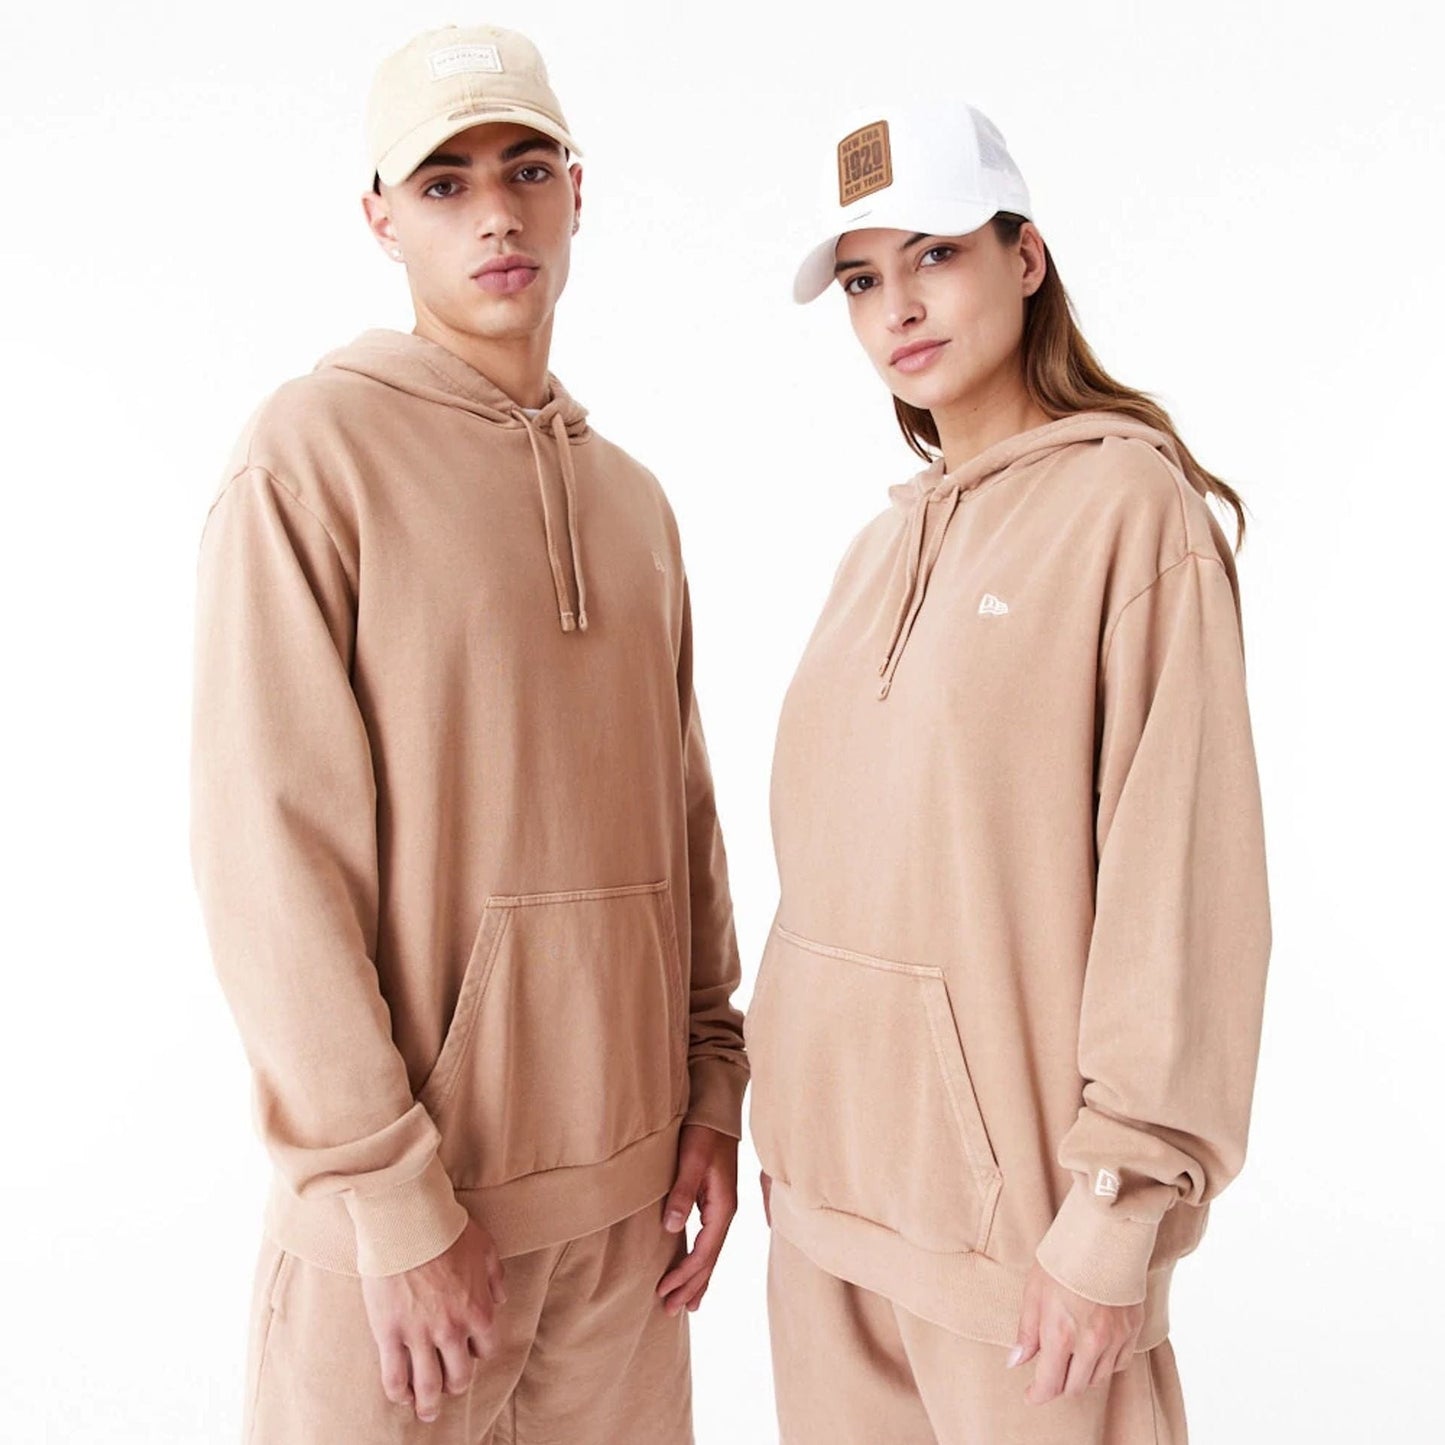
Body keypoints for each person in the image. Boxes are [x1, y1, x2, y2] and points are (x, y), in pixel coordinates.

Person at [189, 23, 747, 1444]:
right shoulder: (309, 456)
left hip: (630, 1225)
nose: (495, 213)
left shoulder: (634, 501)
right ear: (380, 217)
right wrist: (388, 1199)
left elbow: (680, 815)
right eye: (443, 183)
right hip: (412, 1237)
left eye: (525, 169)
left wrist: (710, 1085)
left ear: (576, 190)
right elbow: (269, 858)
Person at [745, 97, 1272, 1443]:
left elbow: (1180, 887)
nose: (899, 308)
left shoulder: (1129, 512)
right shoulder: (875, 552)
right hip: (824, 1226)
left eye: (934, 254)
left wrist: (1115, 1207)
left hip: (1022, 1258)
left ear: (1024, 257)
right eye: (862, 281)